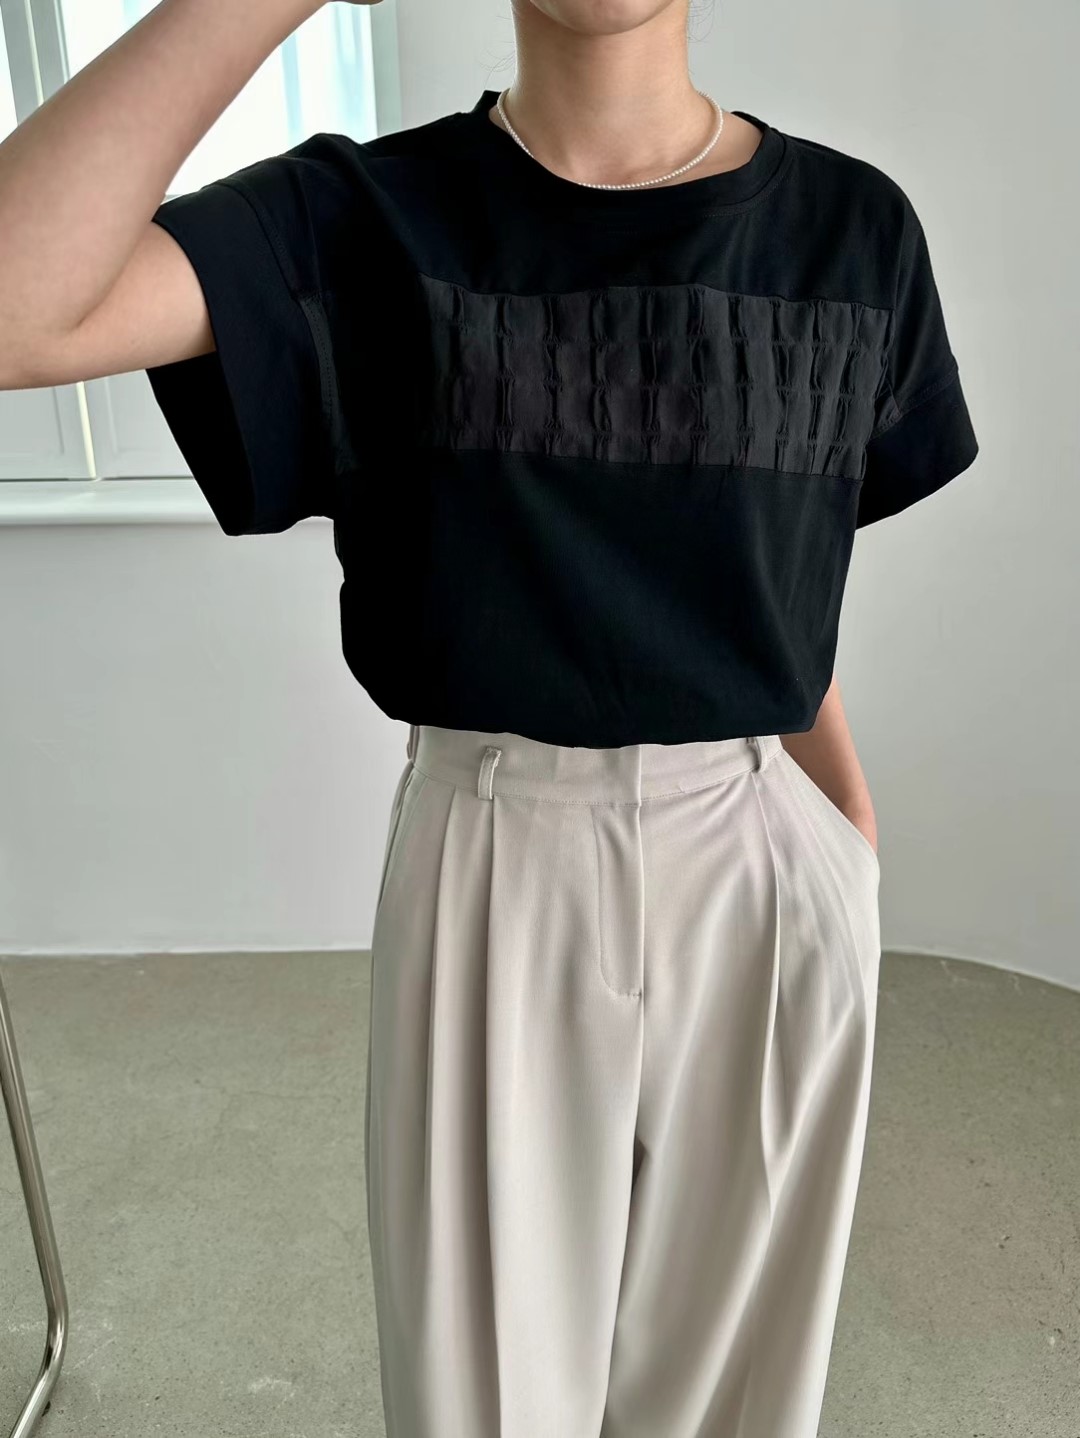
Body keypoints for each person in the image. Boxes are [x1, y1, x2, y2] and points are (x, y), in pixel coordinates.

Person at [0, 0, 979, 1433]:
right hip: (498, 856)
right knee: (484, 1404)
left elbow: (776, 565)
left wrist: (843, 828)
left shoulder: (853, 232)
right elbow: (18, 308)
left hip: (765, 852)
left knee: (743, 1402)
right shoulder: (363, 221)